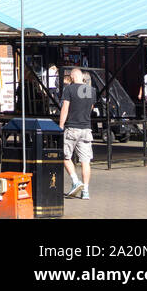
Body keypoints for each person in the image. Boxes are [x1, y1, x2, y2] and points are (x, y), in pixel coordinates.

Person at [59, 66, 96, 201]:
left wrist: (61, 125)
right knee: (85, 161)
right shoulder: (91, 90)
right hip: (86, 128)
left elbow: (65, 108)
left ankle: (75, 181)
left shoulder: (69, 89)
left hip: (72, 128)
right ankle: (85, 191)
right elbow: (91, 107)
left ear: (73, 77)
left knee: (65, 156)